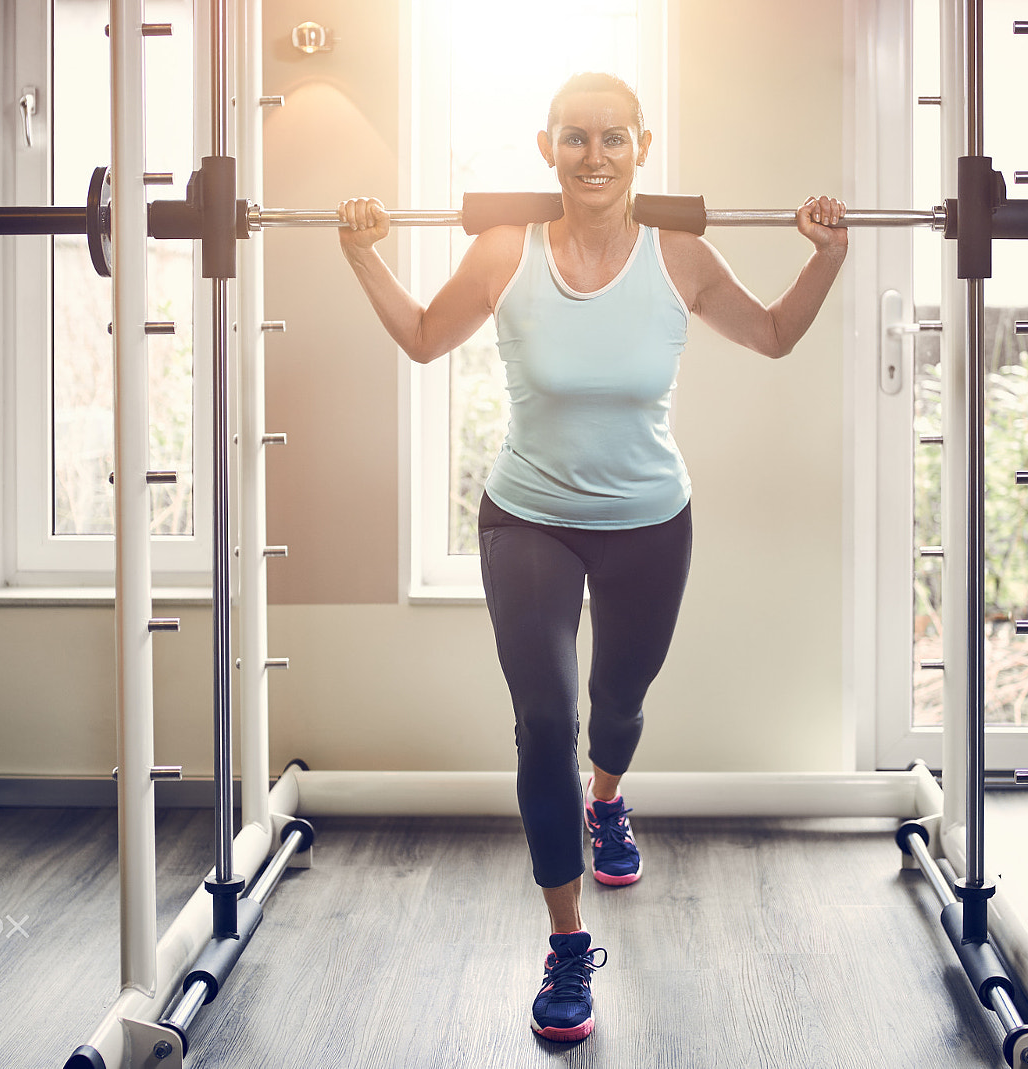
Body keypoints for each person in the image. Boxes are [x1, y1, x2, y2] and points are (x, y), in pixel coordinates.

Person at [335, 71, 848, 1043]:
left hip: (651, 522)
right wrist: (365, 255)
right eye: (575, 138)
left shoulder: (679, 253)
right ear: (546, 149)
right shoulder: (503, 251)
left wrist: (825, 257)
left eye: (614, 138)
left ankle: (608, 799)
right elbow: (418, 337)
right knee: (543, 721)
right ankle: (567, 941)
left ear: (643, 147)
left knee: (617, 704)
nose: (595, 155)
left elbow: (775, 335)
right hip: (526, 515)